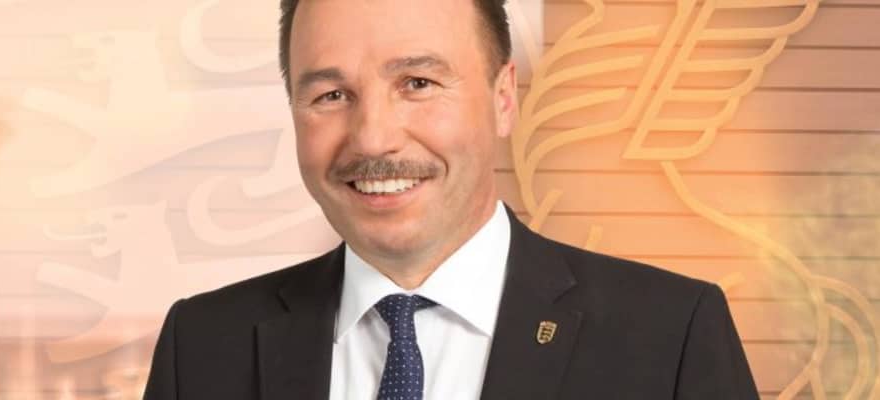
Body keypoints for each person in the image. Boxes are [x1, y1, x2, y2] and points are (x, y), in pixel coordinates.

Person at [143, 0, 759, 398]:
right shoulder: (200, 348)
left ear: (503, 99)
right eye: (331, 95)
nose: (373, 138)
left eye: (417, 83)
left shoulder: (671, 337)